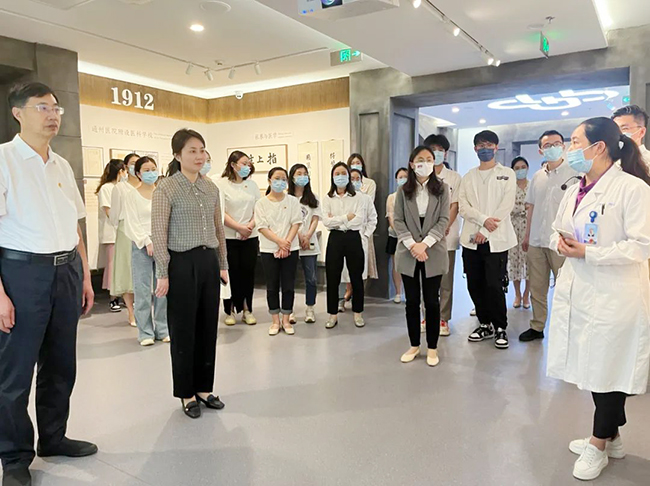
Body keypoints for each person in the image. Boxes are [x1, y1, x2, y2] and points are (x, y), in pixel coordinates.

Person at [0, 82, 97, 486]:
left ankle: (53, 438)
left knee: (61, 364)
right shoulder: (3, 160)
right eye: (42, 107)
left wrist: (85, 275)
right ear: (17, 113)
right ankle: (14, 457)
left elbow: (75, 224)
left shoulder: (61, 164)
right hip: (21, 274)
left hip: (66, 270)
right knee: (15, 371)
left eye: (56, 108)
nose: (53, 115)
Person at [546, 117, 650, 481]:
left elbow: (641, 246)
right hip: (581, 289)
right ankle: (613, 437)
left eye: (575, 142)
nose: (570, 149)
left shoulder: (632, 189)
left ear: (599, 147)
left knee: (609, 371)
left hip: (615, 295)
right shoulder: (576, 187)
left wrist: (589, 253)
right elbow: (559, 229)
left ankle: (598, 444)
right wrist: (562, 243)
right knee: (594, 368)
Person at [152, 128, 229, 419]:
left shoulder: (211, 188)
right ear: (177, 155)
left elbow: (219, 229)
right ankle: (186, 392)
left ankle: (204, 388)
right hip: (181, 263)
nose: (199, 156)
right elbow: (159, 232)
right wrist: (163, 271)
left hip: (208, 261)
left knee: (208, 327)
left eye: (202, 150)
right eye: (192, 151)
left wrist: (223, 264)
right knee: (183, 329)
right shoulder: (166, 188)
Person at [458, 130, 517, 349]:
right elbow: (463, 207)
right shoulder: (468, 177)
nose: (485, 149)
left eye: (489, 145)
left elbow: (506, 205)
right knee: (474, 284)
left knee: (494, 284)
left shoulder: (507, 174)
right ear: (475, 149)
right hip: (471, 240)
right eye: (481, 145)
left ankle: (500, 326)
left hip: (496, 240)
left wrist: (486, 230)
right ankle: (484, 324)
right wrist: (483, 221)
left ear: (496, 147)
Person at [519, 130, 578, 342]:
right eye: (547, 145)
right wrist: (527, 236)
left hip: (561, 242)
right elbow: (531, 208)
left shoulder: (574, 174)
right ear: (540, 150)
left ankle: (567, 329)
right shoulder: (537, 177)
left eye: (556, 144)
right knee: (537, 287)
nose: (552, 148)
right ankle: (537, 326)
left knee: (565, 288)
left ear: (563, 146)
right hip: (536, 241)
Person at [393, 146, 450, 367]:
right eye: (420, 159)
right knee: (412, 302)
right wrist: (413, 245)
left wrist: (424, 245)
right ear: (412, 163)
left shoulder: (442, 189)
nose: (425, 163)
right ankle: (414, 345)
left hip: (432, 250)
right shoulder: (402, 190)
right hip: (408, 252)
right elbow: (398, 220)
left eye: (429, 159)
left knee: (432, 302)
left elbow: (443, 220)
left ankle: (432, 347)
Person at [123, 156, 169, 347]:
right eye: (147, 170)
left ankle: (163, 329)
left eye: (153, 169)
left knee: (162, 289)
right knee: (142, 290)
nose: (151, 173)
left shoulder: (162, 193)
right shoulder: (131, 195)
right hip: (141, 245)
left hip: (162, 244)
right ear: (138, 173)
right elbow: (131, 223)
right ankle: (145, 332)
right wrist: (146, 241)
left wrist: (160, 240)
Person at [213, 151, 259, 326]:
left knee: (248, 273)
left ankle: (247, 309)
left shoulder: (252, 185)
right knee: (230, 273)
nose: (247, 166)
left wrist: (249, 227)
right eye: (243, 163)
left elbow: (258, 209)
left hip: (250, 236)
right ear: (233, 165)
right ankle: (229, 310)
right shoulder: (221, 184)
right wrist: (239, 227)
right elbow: (220, 211)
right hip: (229, 237)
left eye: (249, 163)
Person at [255, 167, 303, 335]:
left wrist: (286, 243)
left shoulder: (292, 201)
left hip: (291, 248)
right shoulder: (261, 203)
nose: (280, 182)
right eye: (277, 178)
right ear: (269, 180)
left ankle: (286, 320)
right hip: (269, 249)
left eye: (283, 179)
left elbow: (296, 223)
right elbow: (262, 227)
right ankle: (275, 321)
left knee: (289, 285)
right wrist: (280, 243)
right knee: (272, 286)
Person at [423, 134, 462, 336]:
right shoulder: (421, 175)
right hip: (424, 236)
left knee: (445, 281)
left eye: (440, 150)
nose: (437, 153)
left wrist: (445, 225)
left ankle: (443, 318)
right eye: (433, 149)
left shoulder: (454, 177)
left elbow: (455, 204)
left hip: (448, 234)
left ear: (445, 153)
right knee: (426, 278)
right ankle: (426, 316)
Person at [322, 162, 366, 329]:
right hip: (335, 238)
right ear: (332, 177)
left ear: (348, 176)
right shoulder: (328, 198)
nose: (340, 176)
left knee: (356, 276)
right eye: (337, 173)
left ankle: (358, 313)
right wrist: (346, 217)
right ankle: (332, 314)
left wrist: (336, 220)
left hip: (353, 237)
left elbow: (359, 219)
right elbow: (326, 222)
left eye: (343, 173)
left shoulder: (358, 197)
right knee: (332, 277)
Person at [338, 169, 378, 306]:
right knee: (342, 271)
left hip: (360, 238)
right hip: (343, 238)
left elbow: (373, 219)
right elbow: (334, 219)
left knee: (358, 272)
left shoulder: (366, 199)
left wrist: (366, 235)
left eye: (358, 179)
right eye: (352, 178)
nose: (355, 181)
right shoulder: (341, 198)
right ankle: (340, 301)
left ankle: (357, 302)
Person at [288, 164, 321, 324]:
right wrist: (299, 235)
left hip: (310, 244)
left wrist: (307, 236)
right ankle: (289, 311)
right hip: (292, 243)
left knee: (311, 279)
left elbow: (315, 219)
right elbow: (288, 221)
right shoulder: (287, 198)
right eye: (299, 173)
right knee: (290, 279)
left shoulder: (313, 198)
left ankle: (310, 309)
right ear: (292, 177)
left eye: (305, 173)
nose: (302, 176)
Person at [110, 152, 140, 327]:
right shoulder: (120, 188)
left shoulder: (147, 186)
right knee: (127, 271)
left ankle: (144, 310)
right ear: (126, 167)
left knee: (142, 271)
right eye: (132, 163)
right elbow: (114, 215)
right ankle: (130, 311)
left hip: (144, 231)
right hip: (125, 231)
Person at [96, 158, 126, 313]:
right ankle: (113, 298)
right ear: (120, 171)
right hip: (111, 233)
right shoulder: (106, 188)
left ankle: (125, 296)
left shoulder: (121, 187)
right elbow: (108, 210)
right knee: (113, 266)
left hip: (122, 232)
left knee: (123, 267)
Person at [347, 153, 378, 282]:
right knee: (347, 267)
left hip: (363, 231)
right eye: (352, 163)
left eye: (358, 163)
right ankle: (349, 290)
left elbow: (371, 215)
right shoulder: (341, 193)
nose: (355, 165)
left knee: (363, 266)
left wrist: (366, 234)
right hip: (347, 233)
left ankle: (359, 290)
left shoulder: (369, 186)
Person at [509, 156, 530, 309]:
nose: (520, 170)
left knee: (529, 262)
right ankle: (517, 294)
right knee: (514, 262)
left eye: (523, 167)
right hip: (512, 227)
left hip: (529, 228)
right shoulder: (509, 188)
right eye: (517, 168)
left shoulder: (533, 186)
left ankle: (526, 295)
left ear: (527, 168)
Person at [386, 168, 408, 303]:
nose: (403, 179)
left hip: (411, 236)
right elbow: (391, 216)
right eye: (400, 177)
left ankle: (409, 291)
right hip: (395, 235)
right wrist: (400, 233)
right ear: (396, 179)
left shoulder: (412, 195)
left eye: (405, 177)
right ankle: (398, 292)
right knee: (396, 264)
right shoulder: (392, 197)